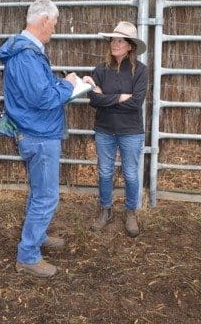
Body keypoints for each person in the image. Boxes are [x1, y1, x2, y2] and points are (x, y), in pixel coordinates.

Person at [0, 0, 94, 277]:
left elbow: (40, 89)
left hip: (36, 132)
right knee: (46, 196)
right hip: (39, 134)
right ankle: (27, 255)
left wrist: (65, 82)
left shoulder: (28, 53)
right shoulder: (27, 55)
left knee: (40, 192)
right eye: (53, 23)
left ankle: (36, 237)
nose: (54, 28)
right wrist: (68, 85)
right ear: (43, 21)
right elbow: (42, 97)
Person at [89, 21, 147, 238]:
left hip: (131, 131)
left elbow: (136, 103)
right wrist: (120, 97)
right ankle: (106, 210)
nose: (115, 43)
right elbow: (93, 100)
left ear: (130, 45)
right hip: (104, 129)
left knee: (131, 174)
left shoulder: (141, 71)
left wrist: (106, 97)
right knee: (105, 172)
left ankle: (130, 211)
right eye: (113, 39)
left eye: (120, 40)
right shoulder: (100, 69)